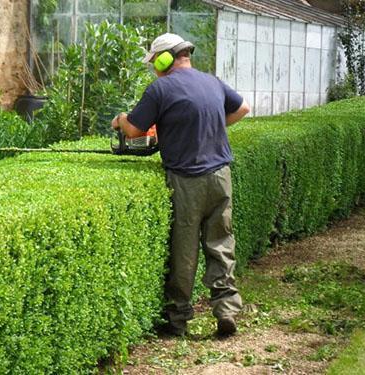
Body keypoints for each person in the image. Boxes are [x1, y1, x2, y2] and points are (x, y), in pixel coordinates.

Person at [111, 33, 250, 337]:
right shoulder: (211, 81)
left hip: (187, 180)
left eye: (155, 63)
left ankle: (177, 321)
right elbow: (242, 109)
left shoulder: (161, 88)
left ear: (164, 59)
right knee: (221, 244)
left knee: (184, 253)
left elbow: (134, 130)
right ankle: (226, 310)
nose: (154, 69)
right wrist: (208, 124)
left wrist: (120, 119)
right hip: (220, 177)